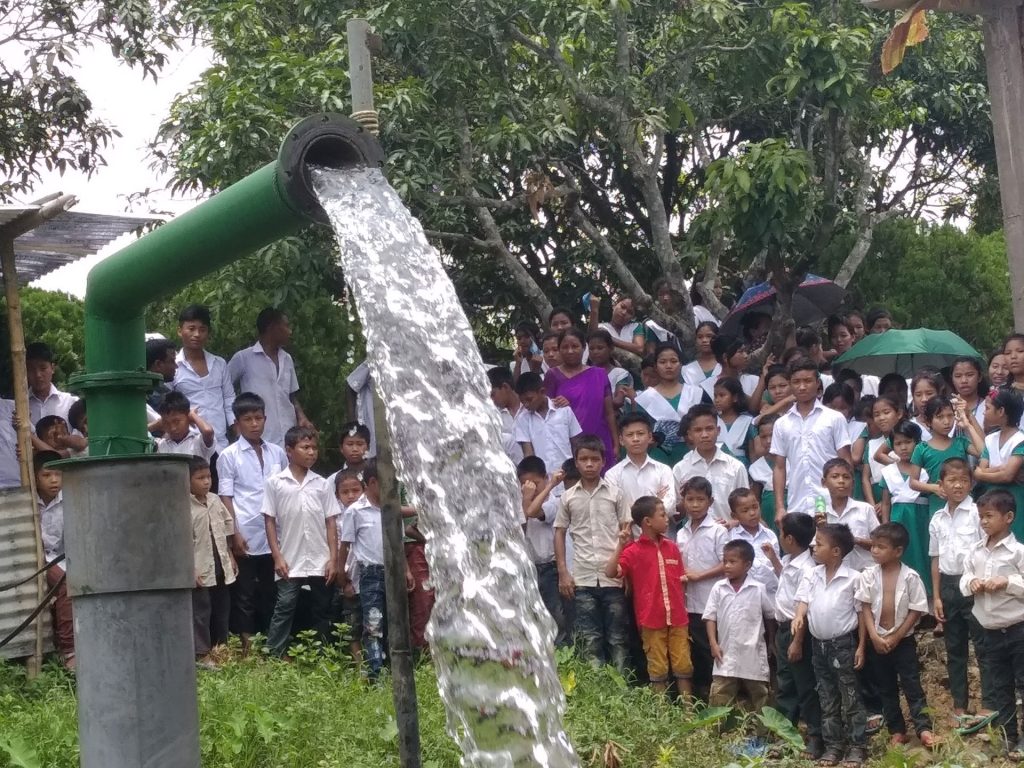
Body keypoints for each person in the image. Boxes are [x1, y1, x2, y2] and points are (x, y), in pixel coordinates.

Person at [791, 524, 867, 768]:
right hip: (818, 645)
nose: (814, 546)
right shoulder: (811, 574)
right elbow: (803, 601)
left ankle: (857, 746)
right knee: (826, 696)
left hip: (843, 644)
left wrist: (861, 646)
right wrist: (798, 616)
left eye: (819, 543)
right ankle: (833, 746)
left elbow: (862, 615)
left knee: (850, 695)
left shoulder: (853, 578)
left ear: (836, 551)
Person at [554, 435, 632, 673]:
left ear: (603, 462)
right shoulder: (568, 497)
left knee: (618, 637)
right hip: (583, 577)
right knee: (590, 638)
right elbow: (559, 533)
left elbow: (626, 532)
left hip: (613, 576)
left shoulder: (616, 494)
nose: (589, 464)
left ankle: (622, 690)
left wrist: (626, 572)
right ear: (576, 463)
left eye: (594, 459)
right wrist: (563, 573)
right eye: (584, 459)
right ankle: (598, 692)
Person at [217, 392, 288, 653]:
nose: (254, 424)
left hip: (274, 532)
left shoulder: (277, 453)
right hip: (245, 528)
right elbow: (226, 496)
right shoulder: (229, 455)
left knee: (272, 591)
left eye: (258, 418)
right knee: (244, 593)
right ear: (237, 423)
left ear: (265, 419)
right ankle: (247, 645)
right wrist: (233, 532)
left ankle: (274, 642)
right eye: (248, 419)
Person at [263, 426, 340, 658]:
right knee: (285, 605)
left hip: (320, 555)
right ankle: (275, 652)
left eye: (314, 448)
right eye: (305, 447)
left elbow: (331, 522)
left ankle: (322, 652)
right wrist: (277, 556)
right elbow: (269, 521)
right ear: (289, 450)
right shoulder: (276, 483)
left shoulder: (322, 484)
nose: (311, 453)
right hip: (290, 555)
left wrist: (333, 559)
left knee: (322, 606)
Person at [856, 523, 934, 748]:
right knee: (886, 686)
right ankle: (896, 729)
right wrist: (874, 637)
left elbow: (916, 610)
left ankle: (924, 727)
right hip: (877, 640)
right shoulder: (869, 575)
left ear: (898, 551)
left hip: (903, 641)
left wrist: (897, 636)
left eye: (881, 547)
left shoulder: (910, 577)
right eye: (873, 546)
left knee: (912, 684)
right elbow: (865, 607)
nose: (874, 551)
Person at [606, 496, 692, 696]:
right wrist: (620, 545)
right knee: (657, 666)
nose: (667, 518)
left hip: (678, 617)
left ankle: (688, 711)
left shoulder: (672, 547)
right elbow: (610, 572)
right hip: (651, 619)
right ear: (648, 522)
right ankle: (661, 713)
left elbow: (680, 580)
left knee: (683, 664)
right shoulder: (633, 551)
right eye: (662, 515)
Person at [960, 489, 1024, 755]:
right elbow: (964, 577)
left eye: (989, 516)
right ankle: (1008, 737)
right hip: (990, 631)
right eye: (980, 517)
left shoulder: (1018, 551)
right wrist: (971, 583)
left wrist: (1007, 582)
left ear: (1008, 517)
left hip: (1018, 629)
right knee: (1001, 688)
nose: (984, 522)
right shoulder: (975, 551)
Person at [928, 458, 987, 727]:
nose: (958, 485)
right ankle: (960, 706)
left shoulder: (977, 513)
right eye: (952, 480)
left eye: (964, 480)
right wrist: (937, 597)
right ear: (941, 484)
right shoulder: (938, 519)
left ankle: (989, 704)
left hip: (974, 585)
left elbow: (985, 551)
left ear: (971, 483)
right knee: (955, 648)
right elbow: (935, 559)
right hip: (949, 587)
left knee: (984, 647)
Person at [769, 358, 853, 527]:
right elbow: (779, 467)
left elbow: (845, 461)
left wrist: (846, 500)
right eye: (796, 382)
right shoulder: (782, 424)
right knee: (801, 552)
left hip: (830, 501)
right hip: (797, 502)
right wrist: (779, 507)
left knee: (829, 548)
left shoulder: (834, 418)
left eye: (807, 381)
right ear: (791, 385)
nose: (802, 386)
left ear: (818, 384)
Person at [703, 540, 774, 714]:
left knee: (760, 695)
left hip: (753, 652)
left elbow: (770, 617)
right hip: (725, 651)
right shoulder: (719, 588)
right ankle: (715, 732)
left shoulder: (758, 589)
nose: (726, 566)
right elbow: (710, 617)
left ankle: (763, 734)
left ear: (747, 565)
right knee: (720, 693)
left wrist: (771, 642)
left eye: (732, 562)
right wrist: (713, 643)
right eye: (725, 561)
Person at [773, 512, 822, 760]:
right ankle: (785, 735)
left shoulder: (807, 568)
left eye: (781, 534)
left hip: (796, 632)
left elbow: (804, 607)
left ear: (789, 538)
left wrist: (797, 641)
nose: (780, 538)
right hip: (783, 630)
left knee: (805, 686)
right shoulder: (789, 561)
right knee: (785, 685)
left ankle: (815, 738)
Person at [228, 308, 313, 448]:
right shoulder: (243, 358)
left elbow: (291, 395)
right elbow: (225, 391)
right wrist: (236, 424)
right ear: (272, 328)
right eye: (286, 326)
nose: (290, 331)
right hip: (260, 437)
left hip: (288, 437)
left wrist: (302, 417)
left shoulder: (287, 358)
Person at [676, 477, 727, 699]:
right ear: (683, 501)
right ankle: (700, 696)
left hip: (712, 602)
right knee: (695, 650)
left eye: (700, 500)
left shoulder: (718, 531)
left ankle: (718, 696)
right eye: (690, 499)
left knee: (711, 649)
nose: (695, 505)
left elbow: (728, 564)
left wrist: (699, 576)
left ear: (710, 501)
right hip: (689, 603)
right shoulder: (681, 533)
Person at [544, 328, 618, 471]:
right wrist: (558, 404)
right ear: (559, 349)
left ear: (584, 348)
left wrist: (615, 443)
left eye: (575, 346)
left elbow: (609, 412)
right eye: (565, 347)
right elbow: (546, 410)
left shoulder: (599, 374)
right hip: (568, 442)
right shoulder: (552, 375)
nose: (570, 351)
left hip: (600, 438)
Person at [519, 456, 572, 646]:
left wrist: (550, 485)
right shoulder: (519, 503)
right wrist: (525, 498)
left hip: (551, 566)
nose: (531, 488)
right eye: (526, 484)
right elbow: (521, 527)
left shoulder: (555, 502)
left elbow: (534, 512)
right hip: (530, 567)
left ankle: (562, 652)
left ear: (545, 478)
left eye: (535, 483)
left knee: (556, 612)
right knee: (534, 612)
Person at [188, 456, 236, 667]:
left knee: (221, 608)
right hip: (199, 567)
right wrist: (189, 568)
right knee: (201, 611)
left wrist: (231, 556)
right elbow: (182, 541)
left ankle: (221, 649)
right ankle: (201, 653)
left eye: (208, 477)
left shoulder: (215, 500)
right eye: (200, 478)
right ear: (187, 481)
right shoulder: (183, 506)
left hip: (220, 564)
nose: (207, 482)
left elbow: (225, 529)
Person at [173, 305, 235, 456]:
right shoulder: (173, 366)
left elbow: (229, 399)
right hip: (189, 443)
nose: (197, 334)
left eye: (202, 329)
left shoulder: (219, 363)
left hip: (221, 443)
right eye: (191, 328)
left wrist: (237, 430)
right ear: (180, 331)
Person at [879, 421, 931, 595]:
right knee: (902, 555)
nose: (903, 448)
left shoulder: (925, 470)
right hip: (899, 520)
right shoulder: (889, 472)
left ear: (917, 442)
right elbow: (886, 502)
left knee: (922, 555)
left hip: (921, 520)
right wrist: (886, 526)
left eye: (908, 442)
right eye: (898, 444)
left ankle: (927, 598)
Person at [909, 396, 984, 517]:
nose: (946, 421)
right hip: (938, 504)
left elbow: (983, 452)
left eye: (950, 416)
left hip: (964, 501)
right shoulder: (921, 448)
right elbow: (913, 482)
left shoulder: (961, 442)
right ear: (928, 421)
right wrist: (933, 488)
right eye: (940, 417)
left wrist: (968, 425)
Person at [672, 403, 747, 524]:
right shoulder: (680, 469)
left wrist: (733, 524)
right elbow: (676, 516)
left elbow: (745, 508)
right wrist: (684, 499)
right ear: (689, 435)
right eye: (698, 430)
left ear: (718, 431)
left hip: (729, 537)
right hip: (695, 538)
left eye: (709, 428)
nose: (705, 435)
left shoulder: (736, 467)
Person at [634, 344, 706, 466]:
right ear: (655, 366)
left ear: (681, 365)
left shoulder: (696, 393)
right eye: (663, 362)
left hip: (692, 451)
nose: (668, 366)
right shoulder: (644, 398)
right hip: (658, 455)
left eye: (673, 361)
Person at [604, 413, 676, 528]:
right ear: (621, 440)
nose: (636, 439)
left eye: (640, 434)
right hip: (629, 540)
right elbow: (614, 511)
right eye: (630, 435)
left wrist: (632, 509)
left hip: (661, 539)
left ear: (650, 437)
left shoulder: (663, 470)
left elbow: (670, 506)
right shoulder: (612, 475)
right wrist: (656, 502)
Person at [36, 450, 73, 670]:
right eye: (47, 475)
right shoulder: (30, 501)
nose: (54, 480)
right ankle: (69, 650)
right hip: (42, 560)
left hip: (66, 557)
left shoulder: (69, 497)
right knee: (65, 584)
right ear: (35, 476)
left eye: (58, 474)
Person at [974, 390, 1024, 541]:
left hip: (1015, 498)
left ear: (1001, 411)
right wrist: (1001, 468)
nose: (984, 413)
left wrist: (983, 475)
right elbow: (1001, 471)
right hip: (989, 498)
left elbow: (1007, 476)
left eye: (988, 408)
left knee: (1014, 539)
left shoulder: (1020, 440)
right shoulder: (990, 439)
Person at [514, 372, 582, 475]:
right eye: (522, 402)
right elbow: (528, 453)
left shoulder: (564, 411)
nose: (526, 404)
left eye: (529, 399)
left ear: (542, 392)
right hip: (544, 478)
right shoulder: (522, 419)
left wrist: (578, 469)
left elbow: (576, 444)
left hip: (568, 474)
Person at [820, 458, 879, 572]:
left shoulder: (865, 509)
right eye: (835, 476)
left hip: (865, 574)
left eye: (846, 477)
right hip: (835, 576)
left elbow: (880, 544)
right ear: (824, 482)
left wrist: (855, 540)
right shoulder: (821, 515)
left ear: (853, 483)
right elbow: (816, 549)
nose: (841, 481)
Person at [334, 468, 365, 663]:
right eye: (345, 492)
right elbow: (338, 551)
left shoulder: (371, 513)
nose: (351, 496)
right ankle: (360, 665)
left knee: (373, 623)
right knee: (352, 624)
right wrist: (343, 580)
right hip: (349, 580)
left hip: (371, 579)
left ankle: (377, 662)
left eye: (355, 490)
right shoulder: (337, 520)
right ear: (337, 494)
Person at [729, 488, 781, 595]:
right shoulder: (731, 537)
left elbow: (779, 570)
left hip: (771, 593)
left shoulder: (769, 535)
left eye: (755, 507)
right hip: (742, 595)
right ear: (734, 516)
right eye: (745, 510)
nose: (752, 513)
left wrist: (773, 557)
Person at [26, 341, 77, 424]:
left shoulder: (70, 403)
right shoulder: (18, 408)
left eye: (43, 368)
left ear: (52, 368)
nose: (38, 375)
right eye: (31, 369)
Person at [154, 390, 215, 459]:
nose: (172, 428)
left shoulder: (198, 442)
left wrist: (192, 415)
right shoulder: (161, 444)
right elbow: (139, 437)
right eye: (166, 423)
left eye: (177, 421)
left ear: (188, 417)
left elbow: (208, 431)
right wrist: (156, 424)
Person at [587, 330, 634, 410]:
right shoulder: (585, 373)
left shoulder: (620, 374)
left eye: (600, 348)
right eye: (591, 349)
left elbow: (618, 401)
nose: (595, 352)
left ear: (611, 348)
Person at [748, 416, 780, 532]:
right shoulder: (756, 468)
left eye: (772, 435)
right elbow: (755, 499)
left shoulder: (794, 460)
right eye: (763, 437)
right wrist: (760, 520)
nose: (768, 441)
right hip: (769, 516)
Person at [488, 366, 525, 465]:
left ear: (505, 387)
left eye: (493, 394)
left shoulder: (530, 407)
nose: (491, 400)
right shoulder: (494, 417)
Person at [714, 377, 753, 466]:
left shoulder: (747, 421)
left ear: (735, 397)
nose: (717, 400)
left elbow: (752, 453)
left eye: (722, 395)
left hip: (741, 466)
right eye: (715, 396)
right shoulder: (712, 421)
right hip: (716, 465)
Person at [949, 357, 988, 427]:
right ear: (952, 379)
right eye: (958, 376)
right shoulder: (946, 407)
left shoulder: (988, 407)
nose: (964, 380)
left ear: (979, 377)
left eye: (970, 375)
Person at [145, 337, 177, 412]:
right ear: (158, 364)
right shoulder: (161, 399)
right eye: (172, 361)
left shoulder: (164, 392)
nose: (176, 366)